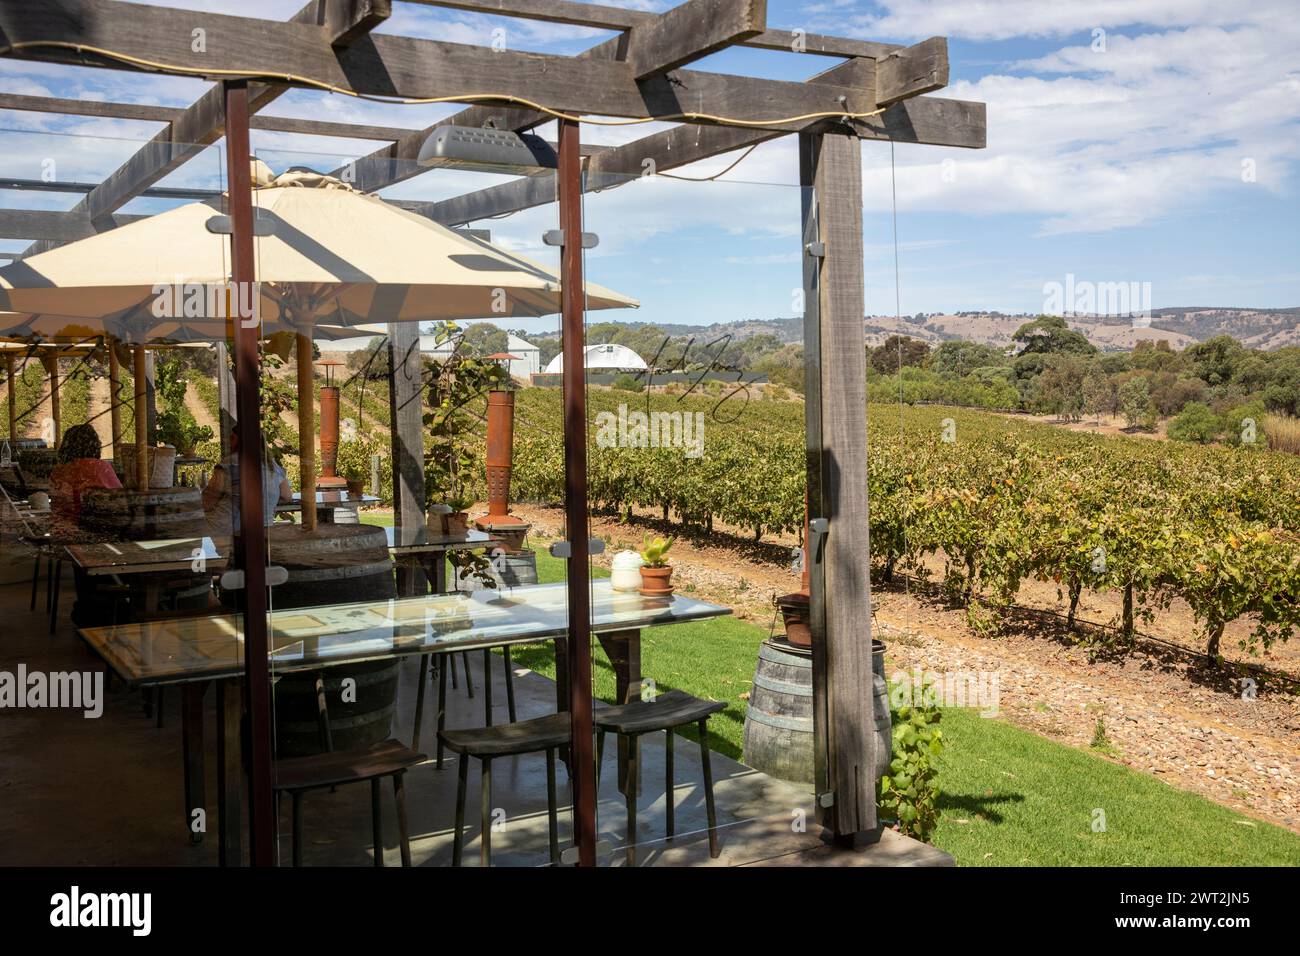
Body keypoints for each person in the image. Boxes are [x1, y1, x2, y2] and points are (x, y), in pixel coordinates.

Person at [202, 430, 292, 534]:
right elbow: (287, 496)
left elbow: (208, 500)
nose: (229, 442)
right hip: (263, 528)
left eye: (232, 438)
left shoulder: (230, 462)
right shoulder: (273, 466)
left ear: (241, 441)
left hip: (225, 528)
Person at [48, 424, 121, 526]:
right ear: (95, 445)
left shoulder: (59, 471)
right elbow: (120, 500)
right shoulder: (102, 467)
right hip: (101, 527)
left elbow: (56, 507)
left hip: (65, 528)